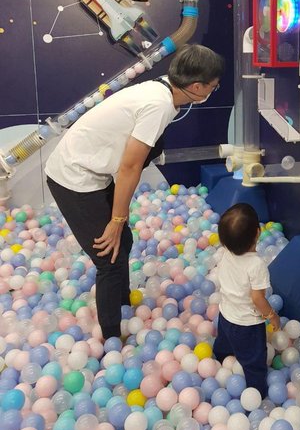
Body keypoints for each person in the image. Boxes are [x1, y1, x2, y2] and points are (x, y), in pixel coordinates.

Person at [45, 44, 224, 341]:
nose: (211, 91)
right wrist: (116, 221)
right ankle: (113, 339)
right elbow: (129, 167)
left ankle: (123, 308)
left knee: (123, 242)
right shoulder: (160, 104)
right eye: (213, 87)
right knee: (110, 258)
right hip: (74, 177)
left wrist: (119, 224)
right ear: (196, 86)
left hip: (92, 170)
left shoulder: (161, 88)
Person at [213, 203, 280, 398]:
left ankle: (220, 360)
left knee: (223, 343)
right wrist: (271, 315)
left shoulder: (226, 253)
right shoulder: (256, 265)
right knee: (253, 361)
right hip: (247, 325)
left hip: (226, 315)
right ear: (258, 234)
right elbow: (257, 298)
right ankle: (257, 392)